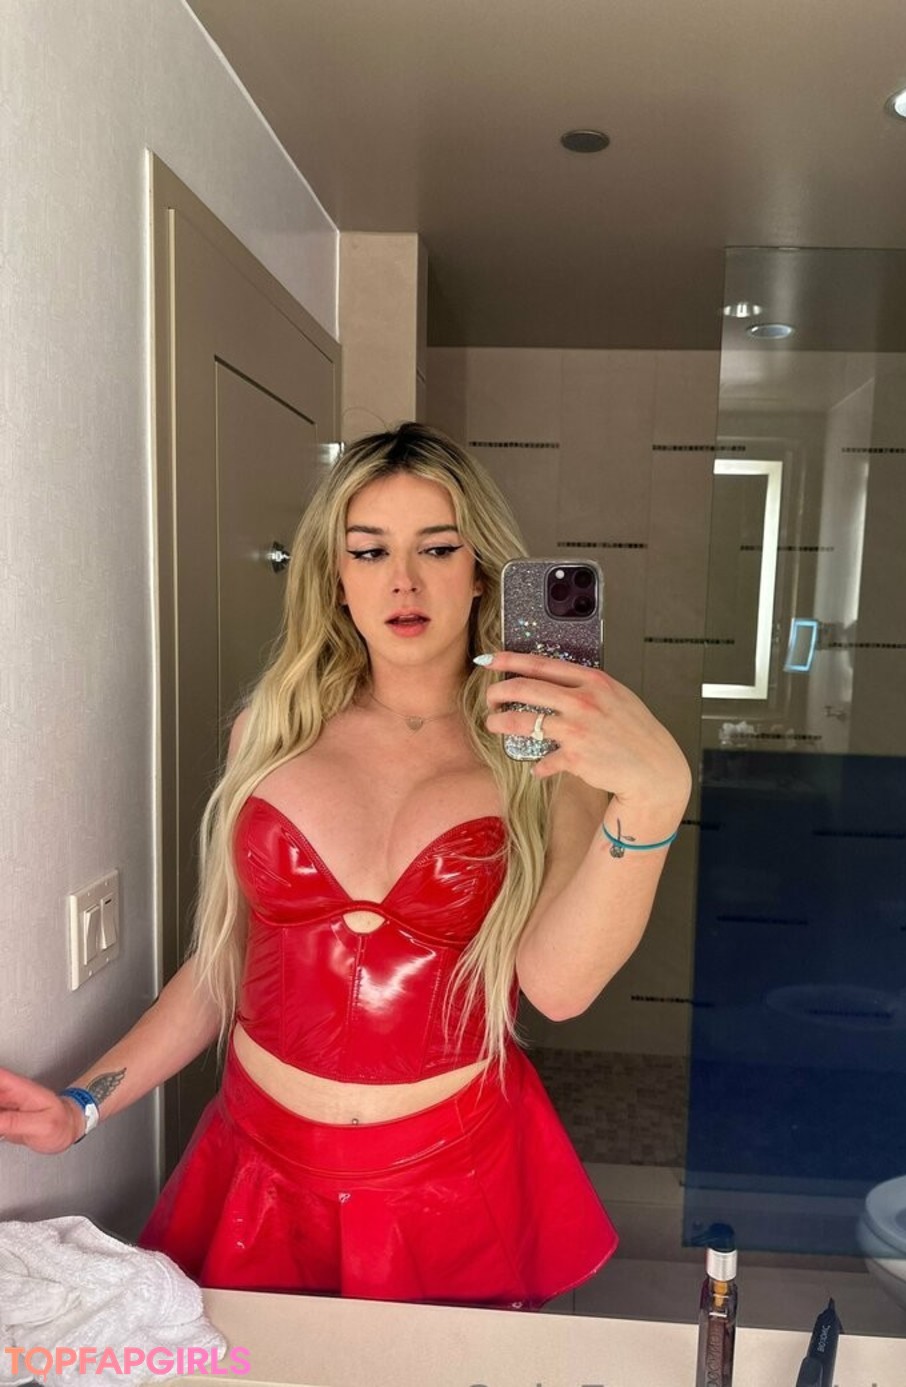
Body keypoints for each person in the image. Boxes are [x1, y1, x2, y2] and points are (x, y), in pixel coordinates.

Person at [0, 422, 692, 1310]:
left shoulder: (542, 758)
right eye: (370, 551)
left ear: (481, 570)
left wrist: (654, 799)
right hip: (257, 1177)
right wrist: (82, 1106)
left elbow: (558, 988)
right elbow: (221, 968)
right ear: (335, 575)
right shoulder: (270, 734)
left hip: (451, 1186)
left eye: (436, 548)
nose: (403, 580)